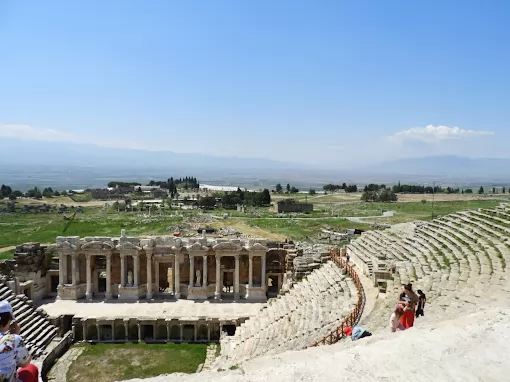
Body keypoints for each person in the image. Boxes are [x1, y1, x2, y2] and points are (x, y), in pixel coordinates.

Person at [0, 300, 39, 382]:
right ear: (6, 320)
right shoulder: (13, 339)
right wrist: (15, 336)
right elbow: (24, 364)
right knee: (32, 368)